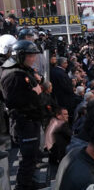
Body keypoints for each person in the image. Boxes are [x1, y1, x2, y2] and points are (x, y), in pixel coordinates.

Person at [0, 40, 43, 190]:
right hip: (24, 121)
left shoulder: (22, 69)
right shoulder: (13, 74)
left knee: (31, 156)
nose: (33, 59)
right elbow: (13, 101)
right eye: (30, 56)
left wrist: (38, 83)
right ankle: (23, 185)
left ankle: (28, 181)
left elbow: (36, 81)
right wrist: (34, 92)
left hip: (30, 119)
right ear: (19, 56)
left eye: (33, 56)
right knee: (27, 157)